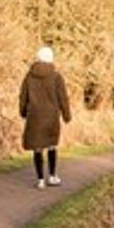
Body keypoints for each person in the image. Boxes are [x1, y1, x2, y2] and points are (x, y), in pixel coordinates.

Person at [18, 45, 72, 187]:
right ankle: (52, 176)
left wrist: (23, 112)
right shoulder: (56, 76)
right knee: (51, 146)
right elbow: (63, 98)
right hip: (51, 116)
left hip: (34, 116)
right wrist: (67, 115)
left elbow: (23, 97)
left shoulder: (29, 77)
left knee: (37, 148)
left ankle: (40, 180)